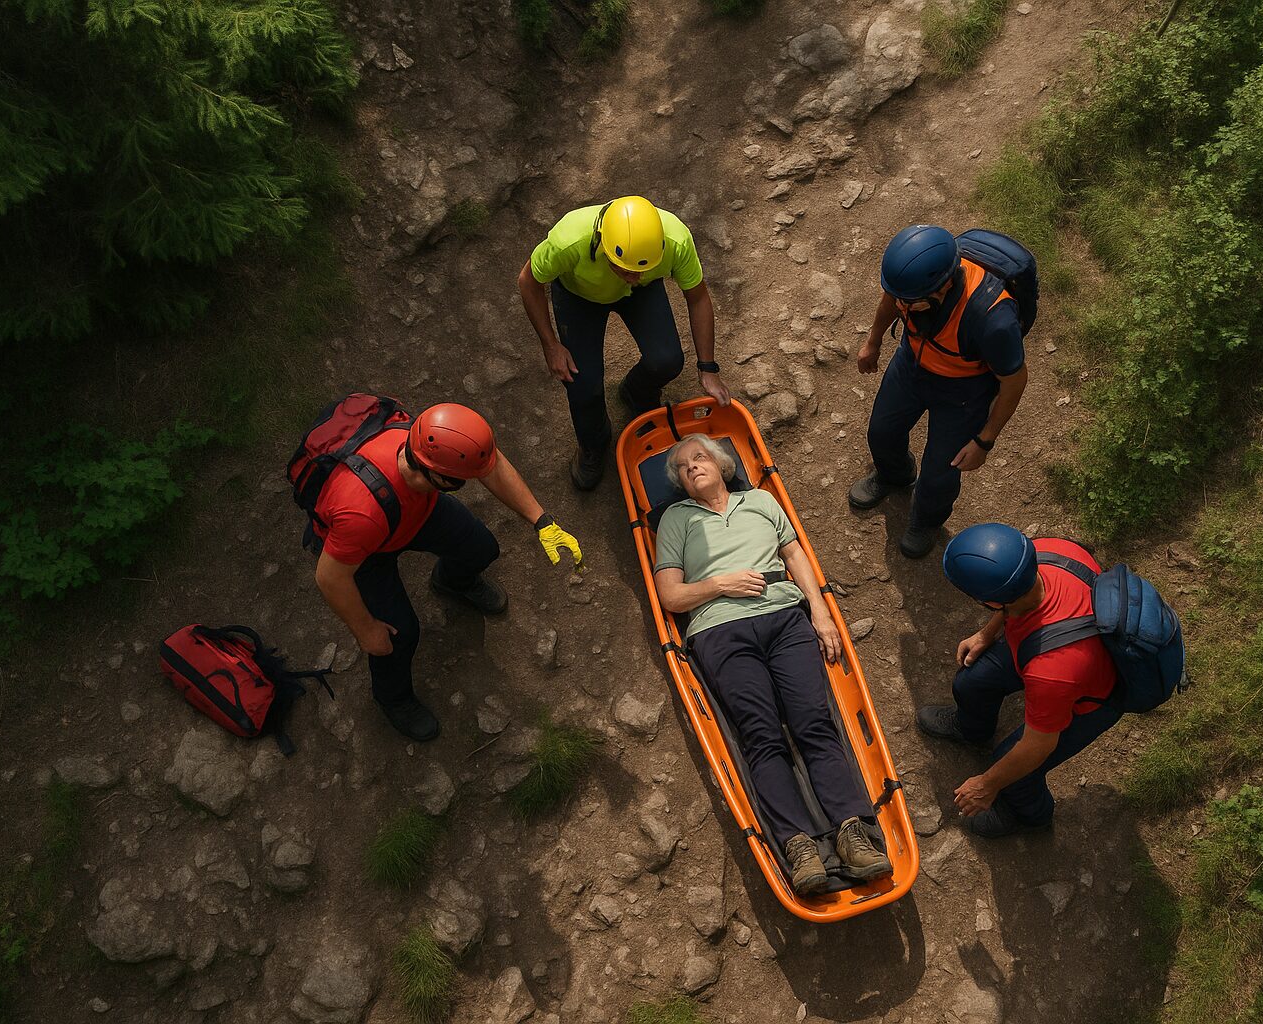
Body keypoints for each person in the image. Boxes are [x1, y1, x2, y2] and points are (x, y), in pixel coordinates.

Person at [652, 435, 890, 894]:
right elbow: (670, 595)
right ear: (680, 484)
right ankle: (798, 845)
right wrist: (720, 584)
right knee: (760, 736)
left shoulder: (760, 501)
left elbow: (794, 554)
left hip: (784, 618)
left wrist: (820, 615)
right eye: (682, 467)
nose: (692, 467)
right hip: (720, 629)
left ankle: (852, 832)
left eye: (699, 457)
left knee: (815, 723)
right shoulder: (676, 519)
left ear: (722, 465)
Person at [311, 404, 582, 742]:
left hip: (414, 512)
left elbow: (491, 464)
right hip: (369, 551)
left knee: (481, 548)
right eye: (463, 480)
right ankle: (392, 697)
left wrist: (542, 522)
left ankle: (452, 582)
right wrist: (366, 630)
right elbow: (330, 577)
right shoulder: (361, 514)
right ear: (437, 475)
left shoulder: (428, 439)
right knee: (398, 637)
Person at [917, 523, 1122, 838]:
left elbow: (1039, 745)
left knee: (1014, 771)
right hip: (1054, 641)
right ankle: (972, 730)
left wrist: (987, 785)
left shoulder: (1051, 671)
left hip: (1089, 694)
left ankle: (1029, 815)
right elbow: (1019, 595)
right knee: (971, 682)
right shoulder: (1050, 550)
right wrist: (987, 633)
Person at [517, 195, 732, 490]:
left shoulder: (674, 239)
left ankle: (636, 392)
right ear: (603, 248)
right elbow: (528, 281)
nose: (634, 277)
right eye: (626, 270)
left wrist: (708, 367)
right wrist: (551, 345)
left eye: (641, 269)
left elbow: (697, 297)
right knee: (581, 385)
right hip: (579, 296)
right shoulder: (567, 240)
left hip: (642, 295)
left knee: (667, 359)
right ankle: (594, 442)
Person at [850, 225, 1030, 558]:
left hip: (964, 391)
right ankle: (896, 476)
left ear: (944, 285)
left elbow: (1014, 381)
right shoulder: (912, 285)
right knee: (882, 433)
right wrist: (873, 341)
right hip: (912, 365)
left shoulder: (993, 320)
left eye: (910, 301)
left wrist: (984, 441)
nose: (903, 303)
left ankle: (927, 520)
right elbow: (892, 297)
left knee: (940, 474)